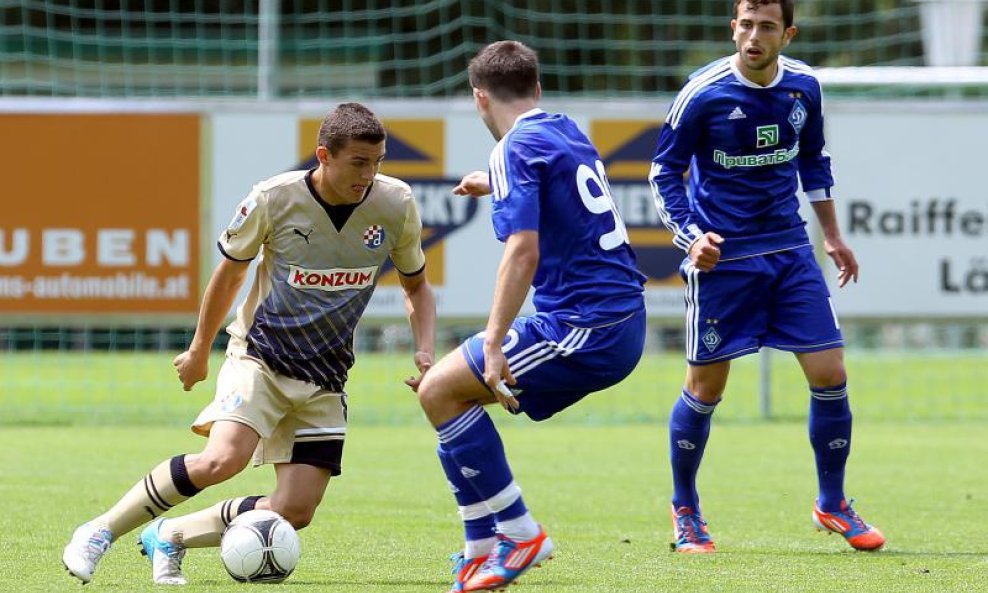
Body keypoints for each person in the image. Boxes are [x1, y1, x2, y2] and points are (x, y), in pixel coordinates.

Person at [62, 102, 437, 585]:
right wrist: (199, 349)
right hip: (260, 356)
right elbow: (230, 275)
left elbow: (416, 286)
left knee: (295, 511)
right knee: (222, 460)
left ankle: (170, 534)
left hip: (327, 374)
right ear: (324, 155)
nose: (369, 174)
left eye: (378, 162)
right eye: (359, 162)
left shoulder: (395, 203)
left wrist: (425, 349)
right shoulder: (273, 198)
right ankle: (99, 531)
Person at [649, 0, 885, 554]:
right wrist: (691, 238)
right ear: (733, 27)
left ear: (787, 34)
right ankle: (685, 509)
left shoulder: (805, 86)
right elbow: (663, 172)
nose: (754, 36)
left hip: (789, 251)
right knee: (706, 388)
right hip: (724, 261)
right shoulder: (702, 92)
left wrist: (832, 236)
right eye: (746, 25)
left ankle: (832, 503)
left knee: (830, 372)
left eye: (767, 27)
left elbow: (814, 161)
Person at [412, 40, 647, 593]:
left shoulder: (511, 148)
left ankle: (520, 535)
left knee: (438, 391)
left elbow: (523, 252)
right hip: (619, 319)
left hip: (586, 326)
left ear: (479, 98)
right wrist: (492, 181)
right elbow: (561, 183)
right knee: (447, 393)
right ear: (536, 89)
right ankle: (479, 550)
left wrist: (494, 342)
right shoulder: (565, 128)